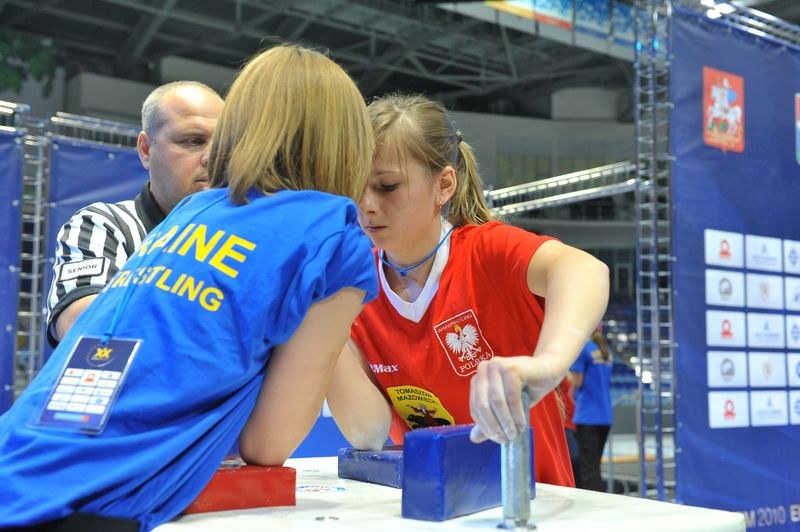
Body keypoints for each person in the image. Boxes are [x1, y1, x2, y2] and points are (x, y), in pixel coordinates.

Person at [0, 44, 377, 531]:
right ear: (346, 139)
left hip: (19, 459)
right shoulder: (333, 234)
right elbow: (268, 444)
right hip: (85, 499)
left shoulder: (188, 212)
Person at [326, 93, 609, 487]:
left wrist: (548, 364)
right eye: (356, 185)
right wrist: (317, 309)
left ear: (443, 185)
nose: (367, 204)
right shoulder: (352, 289)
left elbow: (586, 269)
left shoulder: (486, 252)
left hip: (531, 510)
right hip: (428, 511)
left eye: (388, 186)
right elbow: (367, 434)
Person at [45, 80, 224, 346]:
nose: (212, 157)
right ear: (145, 149)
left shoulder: (251, 230)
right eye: (193, 141)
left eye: (224, 144)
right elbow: (85, 329)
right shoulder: (104, 225)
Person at [567, 326, 614, 492]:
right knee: (594, 465)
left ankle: (592, 507)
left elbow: (577, 381)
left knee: (587, 468)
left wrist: (564, 370)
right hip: (605, 415)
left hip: (588, 415)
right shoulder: (605, 350)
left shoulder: (584, 348)